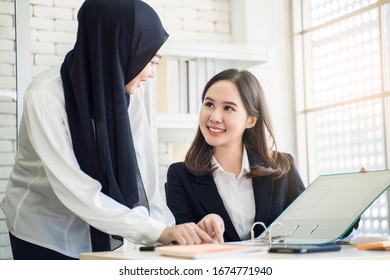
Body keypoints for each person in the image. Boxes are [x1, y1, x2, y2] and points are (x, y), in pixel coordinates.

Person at [0, 0, 223, 260]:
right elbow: (75, 188)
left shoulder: (130, 96)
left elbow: (144, 173)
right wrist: (155, 230)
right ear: (118, 50)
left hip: (100, 225)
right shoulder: (45, 97)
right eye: (148, 61)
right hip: (43, 229)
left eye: (156, 62)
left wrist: (170, 230)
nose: (151, 73)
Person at [165, 69, 307, 242]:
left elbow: (313, 225)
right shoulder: (180, 176)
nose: (215, 117)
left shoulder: (282, 166)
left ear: (251, 120)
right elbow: (181, 243)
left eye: (228, 108)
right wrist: (201, 231)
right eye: (209, 104)